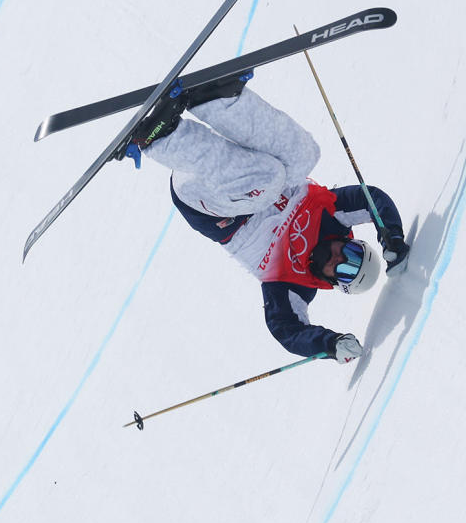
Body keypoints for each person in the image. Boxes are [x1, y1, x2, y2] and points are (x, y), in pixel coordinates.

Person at [120, 74, 410, 364]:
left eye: (345, 271)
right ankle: (217, 100)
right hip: (235, 166)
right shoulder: (334, 216)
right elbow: (372, 200)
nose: (338, 259)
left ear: (335, 283)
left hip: (210, 202)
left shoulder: (294, 285)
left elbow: (288, 331)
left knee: (270, 180)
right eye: (351, 253)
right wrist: (392, 237)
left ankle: (160, 139)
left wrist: (330, 344)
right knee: (306, 155)